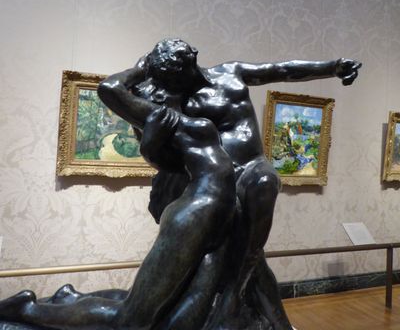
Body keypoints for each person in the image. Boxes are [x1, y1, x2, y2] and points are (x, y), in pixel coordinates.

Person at [99, 38, 361, 329]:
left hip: (251, 167)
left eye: (178, 75)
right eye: (170, 80)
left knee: (264, 182)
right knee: (246, 258)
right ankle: (257, 313)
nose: (176, 84)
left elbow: (282, 70)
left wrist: (333, 67)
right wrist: (141, 70)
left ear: (193, 59)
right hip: (212, 183)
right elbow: (158, 152)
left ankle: (235, 296)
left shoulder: (230, 73)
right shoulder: (170, 101)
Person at [0, 82, 237, 330]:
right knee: (132, 320)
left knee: (185, 314)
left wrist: (149, 144)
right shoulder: (192, 127)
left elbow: (171, 164)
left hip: (215, 216)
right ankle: (26, 309)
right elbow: (109, 87)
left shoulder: (195, 128)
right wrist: (149, 140)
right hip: (194, 216)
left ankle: (68, 298)